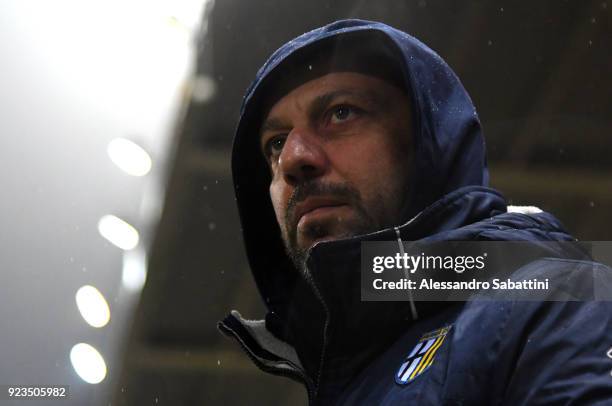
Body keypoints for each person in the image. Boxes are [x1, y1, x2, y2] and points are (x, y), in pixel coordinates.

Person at [218, 19, 612, 405]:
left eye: (341, 113)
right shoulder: (354, 367)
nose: (293, 158)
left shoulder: (563, 298)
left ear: (431, 143)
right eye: (276, 143)